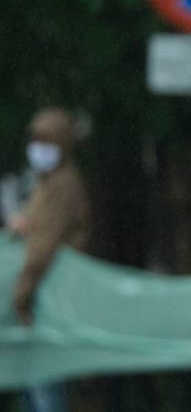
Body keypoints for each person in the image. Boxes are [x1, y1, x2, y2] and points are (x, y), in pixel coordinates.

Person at [7, 107, 91, 412]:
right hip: (40, 299)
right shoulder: (48, 182)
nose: (38, 150)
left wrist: (21, 295)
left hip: (47, 300)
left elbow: (43, 249)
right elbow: (37, 229)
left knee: (44, 390)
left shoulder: (62, 185)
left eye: (47, 142)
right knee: (35, 387)